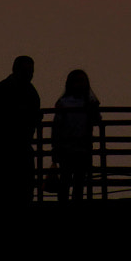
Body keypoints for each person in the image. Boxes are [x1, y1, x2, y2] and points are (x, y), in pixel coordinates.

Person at [0, 56, 41, 206]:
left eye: (30, 71)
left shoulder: (3, 88)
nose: (29, 74)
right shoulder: (24, 90)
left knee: (10, 183)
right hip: (9, 145)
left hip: (11, 145)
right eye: (27, 71)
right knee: (14, 183)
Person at [50, 69, 103, 202]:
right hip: (71, 147)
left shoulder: (69, 102)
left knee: (76, 181)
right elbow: (57, 126)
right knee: (69, 180)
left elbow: (56, 126)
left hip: (79, 147)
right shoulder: (67, 102)